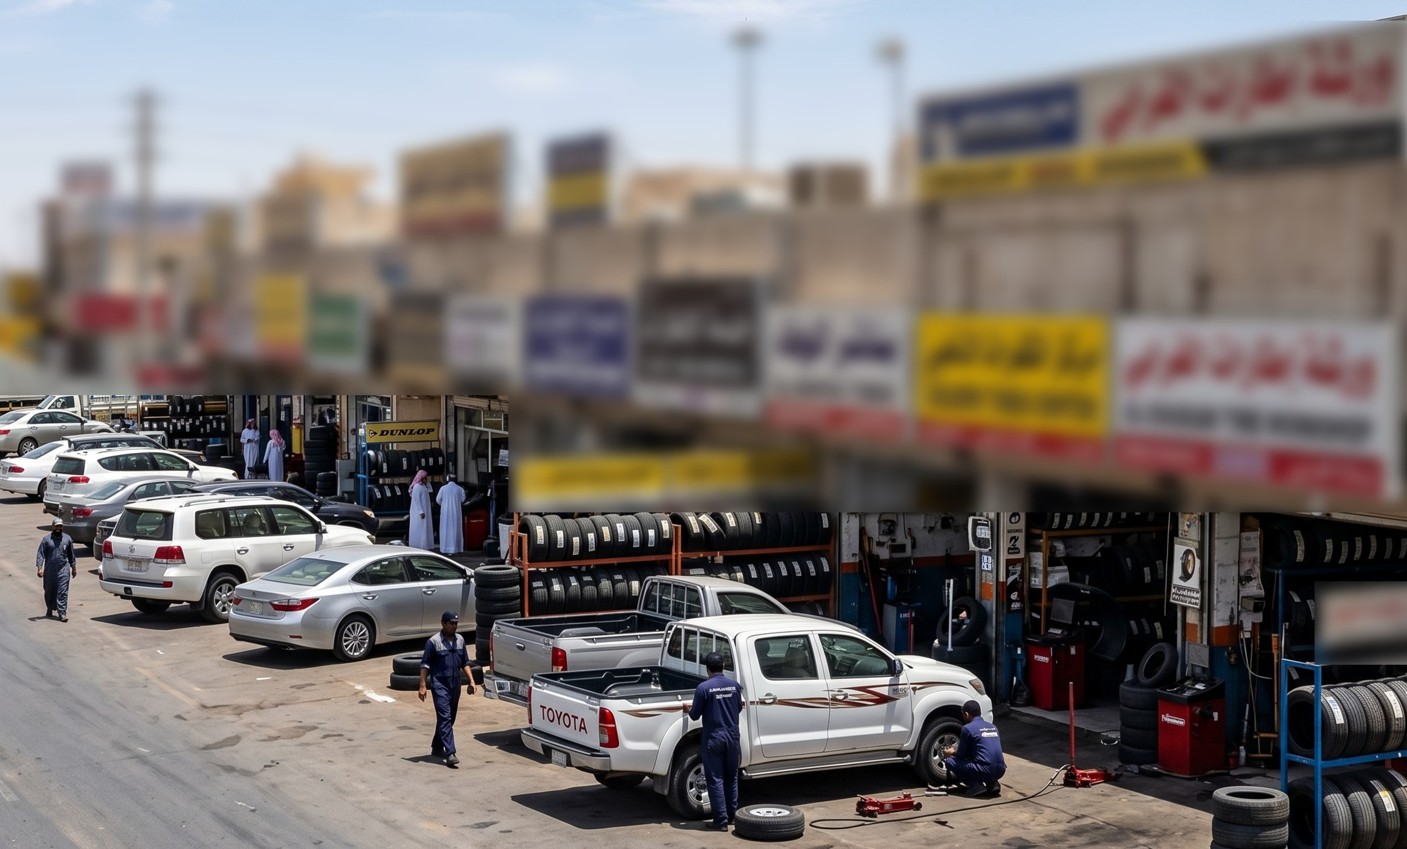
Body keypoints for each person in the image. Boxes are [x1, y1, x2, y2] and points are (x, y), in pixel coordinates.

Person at [686, 651, 742, 830]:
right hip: (732, 737)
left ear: (707, 669)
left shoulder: (703, 688)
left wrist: (688, 709)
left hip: (714, 738)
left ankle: (721, 821)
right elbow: (739, 708)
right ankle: (732, 817)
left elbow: (695, 715)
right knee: (732, 778)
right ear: (723, 666)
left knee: (715, 779)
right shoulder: (734, 686)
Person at [419, 610, 474, 767]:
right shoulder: (433, 642)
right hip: (440, 685)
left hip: (455, 685)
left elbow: (465, 662)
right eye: (451, 623)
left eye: (456, 624)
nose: (454, 626)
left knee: (450, 718)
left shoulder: (460, 640)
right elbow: (425, 665)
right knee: (445, 718)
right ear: (443, 624)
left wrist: (471, 681)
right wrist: (422, 685)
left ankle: (437, 746)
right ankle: (450, 753)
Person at [942, 699, 1006, 797]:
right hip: (1001, 770)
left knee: (950, 762)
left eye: (963, 714)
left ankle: (975, 786)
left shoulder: (968, 728)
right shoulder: (993, 727)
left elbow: (961, 755)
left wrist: (951, 752)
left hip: (985, 770)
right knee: (983, 758)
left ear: (967, 714)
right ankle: (993, 784)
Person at [36, 518, 77, 622]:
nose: (58, 528)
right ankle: (50, 607)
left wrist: (73, 568)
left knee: (63, 591)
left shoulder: (67, 539)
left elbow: (71, 554)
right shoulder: (46, 540)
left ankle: (62, 613)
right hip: (50, 570)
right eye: (56, 526)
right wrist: (40, 568)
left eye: (60, 526)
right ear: (53, 527)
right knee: (49, 591)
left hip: (64, 569)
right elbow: (40, 554)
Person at [436, 472, 466, 555]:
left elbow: (438, 500)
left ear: (448, 479)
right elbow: (463, 499)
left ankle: (445, 548)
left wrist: (444, 505)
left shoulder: (443, 488)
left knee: (445, 529)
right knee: (455, 529)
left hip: (445, 513)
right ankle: (455, 548)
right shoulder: (460, 489)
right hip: (456, 513)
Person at [408, 469, 434, 549]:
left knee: (424, 530)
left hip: (424, 512)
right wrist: (420, 511)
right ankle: (418, 546)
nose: (426, 479)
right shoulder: (417, 487)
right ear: (421, 478)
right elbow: (417, 500)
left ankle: (424, 546)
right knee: (419, 529)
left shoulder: (423, 486)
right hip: (419, 514)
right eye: (425, 477)